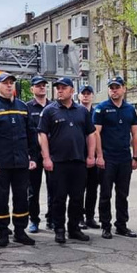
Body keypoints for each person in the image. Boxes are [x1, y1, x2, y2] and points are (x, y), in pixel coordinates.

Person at [0, 72, 39, 247]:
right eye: (5, 83)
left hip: (21, 161)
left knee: (21, 197)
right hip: (1, 163)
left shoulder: (22, 107)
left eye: (11, 83)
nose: (9, 86)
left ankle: (20, 232)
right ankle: (3, 232)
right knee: (1, 198)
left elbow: (31, 134)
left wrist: (33, 156)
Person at [38, 78, 96, 243]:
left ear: (72, 91)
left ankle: (74, 229)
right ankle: (59, 229)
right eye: (58, 88)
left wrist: (91, 156)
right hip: (58, 163)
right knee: (59, 198)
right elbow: (42, 135)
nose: (60, 90)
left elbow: (90, 134)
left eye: (63, 88)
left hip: (78, 162)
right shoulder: (50, 111)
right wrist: (46, 158)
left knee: (77, 198)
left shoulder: (82, 111)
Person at [94, 76, 137, 239]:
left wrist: (135, 157)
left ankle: (121, 225)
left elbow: (135, 134)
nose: (114, 90)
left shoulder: (130, 110)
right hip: (107, 158)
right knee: (105, 194)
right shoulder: (101, 108)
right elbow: (96, 133)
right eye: (111, 87)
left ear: (123, 89)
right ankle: (106, 225)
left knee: (123, 194)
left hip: (124, 159)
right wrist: (99, 156)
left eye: (117, 87)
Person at [27, 76, 53, 233]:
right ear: (32, 89)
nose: (42, 88)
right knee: (33, 190)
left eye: (44, 85)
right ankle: (34, 220)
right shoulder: (27, 107)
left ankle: (52, 219)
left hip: (52, 154)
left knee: (54, 189)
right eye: (38, 85)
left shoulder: (54, 106)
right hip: (34, 154)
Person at [78, 84, 101, 230]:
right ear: (79, 96)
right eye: (83, 93)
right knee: (78, 189)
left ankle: (90, 217)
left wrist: (99, 155)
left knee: (93, 188)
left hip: (94, 157)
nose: (86, 96)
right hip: (79, 156)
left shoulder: (97, 113)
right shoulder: (75, 111)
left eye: (88, 93)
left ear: (92, 96)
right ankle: (79, 217)